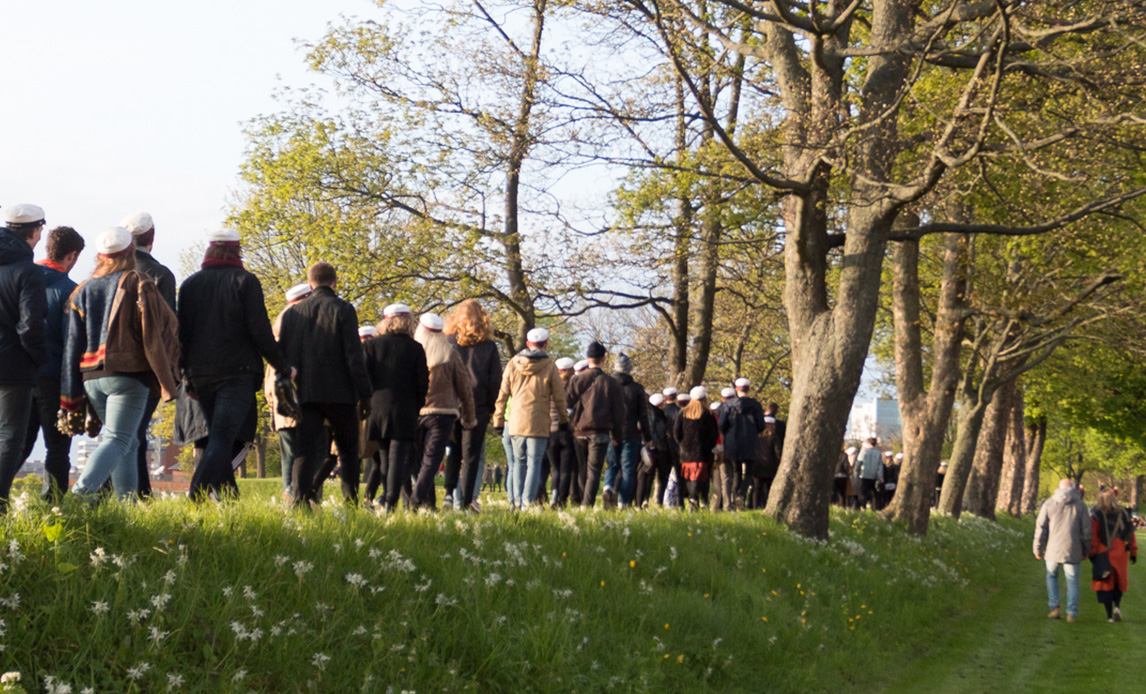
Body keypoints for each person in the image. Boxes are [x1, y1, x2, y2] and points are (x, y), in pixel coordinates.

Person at [61, 227, 179, 499]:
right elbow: (154, 334)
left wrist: (69, 397)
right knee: (118, 438)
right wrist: (165, 377)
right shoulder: (140, 281)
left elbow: (72, 347)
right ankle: (81, 494)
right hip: (128, 375)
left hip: (91, 379)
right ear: (129, 253)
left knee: (127, 440)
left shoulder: (82, 290)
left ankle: (127, 505)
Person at [179, 229, 292, 501]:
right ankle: (195, 497)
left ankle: (230, 502)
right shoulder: (246, 281)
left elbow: (181, 335)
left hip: (201, 375)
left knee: (218, 439)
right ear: (236, 251)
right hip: (237, 373)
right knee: (222, 438)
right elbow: (260, 329)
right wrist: (282, 365)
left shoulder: (189, 285)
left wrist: (186, 376)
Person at [277, 261, 371, 507]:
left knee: (304, 451)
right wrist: (365, 395)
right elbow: (354, 356)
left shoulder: (293, 314)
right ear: (334, 281)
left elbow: (284, 355)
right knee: (349, 451)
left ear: (310, 283)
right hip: (341, 393)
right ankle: (350, 504)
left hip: (306, 392)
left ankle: (298, 502)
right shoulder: (344, 309)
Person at [21, 226, 83, 500]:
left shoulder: (22, 279)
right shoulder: (71, 291)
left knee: (17, 443)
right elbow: (73, 343)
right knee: (57, 446)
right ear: (71, 255)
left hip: (19, 374)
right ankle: (53, 504)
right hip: (54, 375)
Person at [121, 212, 178, 497]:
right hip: (146, 367)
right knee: (136, 433)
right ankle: (138, 493)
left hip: (108, 365)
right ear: (151, 237)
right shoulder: (161, 275)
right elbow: (168, 329)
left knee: (120, 434)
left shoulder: (111, 274)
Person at [0, 205, 48, 510]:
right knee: (10, 436)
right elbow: (31, 325)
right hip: (13, 365)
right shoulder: (28, 271)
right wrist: (39, 358)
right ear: (35, 231)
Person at [492, 327, 568, 510]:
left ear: (527, 343)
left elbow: (502, 394)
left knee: (518, 462)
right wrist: (564, 419)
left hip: (516, 420)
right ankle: (527, 501)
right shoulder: (549, 366)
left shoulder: (512, 363)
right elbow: (559, 397)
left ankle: (516, 501)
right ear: (546, 343)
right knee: (534, 463)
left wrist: (498, 420)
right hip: (538, 421)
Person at [363, 303, 429, 511]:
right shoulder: (415, 348)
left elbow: (363, 378)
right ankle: (390, 500)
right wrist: (417, 405)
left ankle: (386, 499)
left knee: (383, 456)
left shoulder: (371, 346)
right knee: (398, 458)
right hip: (405, 407)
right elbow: (423, 383)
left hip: (378, 407)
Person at [411, 312, 475, 510]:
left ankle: (420, 499)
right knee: (431, 461)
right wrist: (469, 417)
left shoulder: (413, 352)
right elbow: (464, 387)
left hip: (416, 412)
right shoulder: (450, 354)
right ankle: (422, 501)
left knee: (419, 460)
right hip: (443, 413)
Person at [443, 299, 502, 511]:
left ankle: (449, 494)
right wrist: (491, 406)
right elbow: (495, 379)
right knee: (472, 456)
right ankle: (467, 500)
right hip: (477, 406)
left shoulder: (448, 342)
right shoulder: (489, 347)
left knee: (454, 451)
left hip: (450, 404)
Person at [264, 283, 312, 503]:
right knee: (306, 451)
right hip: (300, 397)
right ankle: (303, 494)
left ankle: (288, 493)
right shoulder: (303, 325)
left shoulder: (279, 325)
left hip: (280, 398)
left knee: (288, 453)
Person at [565, 341, 624, 508]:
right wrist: (617, 435)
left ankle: (581, 500)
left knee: (582, 469)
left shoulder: (576, 380)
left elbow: (565, 404)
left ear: (587, 358)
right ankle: (587, 504)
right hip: (600, 431)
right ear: (603, 359)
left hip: (578, 431)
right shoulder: (611, 383)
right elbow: (618, 412)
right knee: (594, 471)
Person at [1034, 479, 1092, 623]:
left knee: (1051, 577)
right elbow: (1087, 531)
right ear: (1074, 489)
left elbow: (1040, 527)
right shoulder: (1080, 505)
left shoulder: (1049, 503)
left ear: (1058, 488)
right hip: (1073, 549)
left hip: (1053, 549)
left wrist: (1037, 547)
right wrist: (1086, 549)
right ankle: (1071, 613)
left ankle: (1054, 608)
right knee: (1072, 581)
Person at [604, 353, 650, 509]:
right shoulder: (637, 388)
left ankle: (607, 487)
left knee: (612, 465)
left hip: (610, 432)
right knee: (628, 469)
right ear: (629, 369)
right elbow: (643, 416)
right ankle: (623, 503)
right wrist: (647, 436)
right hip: (630, 433)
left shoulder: (606, 385)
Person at [1089, 490, 1138, 622]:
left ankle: (1109, 616)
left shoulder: (1097, 515)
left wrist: (1091, 553)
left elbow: (1094, 537)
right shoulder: (1123, 514)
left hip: (1104, 551)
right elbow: (1130, 534)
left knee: (1106, 583)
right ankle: (1117, 606)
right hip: (1120, 551)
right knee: (1118, 582)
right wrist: (1133, 552)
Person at [717, 377, 766, 510]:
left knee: (736, 472)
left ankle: (733, 501)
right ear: (748, 389)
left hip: (733, 442)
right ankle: (741, 495)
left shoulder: (728, 405)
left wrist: (728, 433)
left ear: (736, 389)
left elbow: (721, 424)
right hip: (750, 442)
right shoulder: (756, 405)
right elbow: (761, 425)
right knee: (749, 473)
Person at [673, 386, 719, 511]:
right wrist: (709, 446)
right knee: (702, 477)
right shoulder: (708, 414)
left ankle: (693, 500)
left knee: (688, 477)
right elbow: (714, 434)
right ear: (704, 398)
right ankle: (702, 501)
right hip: (703, 452)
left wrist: (682, 444)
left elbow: (676, 433)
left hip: (686, 453)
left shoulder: (682, 413)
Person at [547, 357, 578, 508]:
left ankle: (552, 496)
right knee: (566, 470)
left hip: (550, 432)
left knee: (556, 469)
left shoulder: (550, 385)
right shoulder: (573, 387)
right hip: (567, 431)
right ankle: (562, 500)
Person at [637, 392, 671, 508]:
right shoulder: (664, 417)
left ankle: (643, 500)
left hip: (648, 450)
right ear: (661, 403)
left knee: (646, 476)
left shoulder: (645, 416)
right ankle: (658, 502)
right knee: (662, 477)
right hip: (662, 450)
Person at [855, 438, 884, 511]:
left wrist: (856, 470)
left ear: (869, 443)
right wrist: (881, 477)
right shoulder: (878, 453)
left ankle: (863, 507)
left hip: (864, 475)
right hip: (873, 475)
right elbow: (880, 466)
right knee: (873, 492)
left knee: (863, 492)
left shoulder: (864, 452)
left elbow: (859, 462)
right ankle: (874, 507)